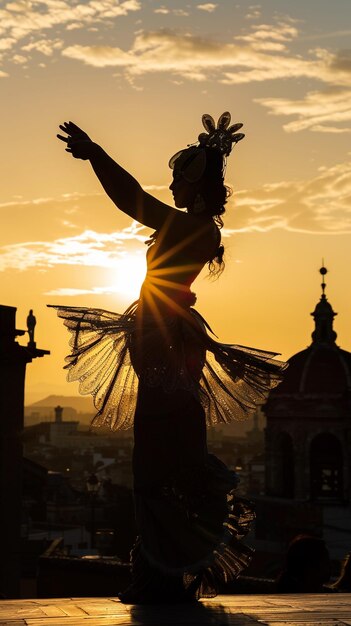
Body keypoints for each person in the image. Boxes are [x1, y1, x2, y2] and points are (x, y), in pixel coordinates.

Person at [51, 112, 286, 603]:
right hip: (160, 333)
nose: (173, 184)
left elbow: (132, 199)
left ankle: (162, 576)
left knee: (158, 457)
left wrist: (96, 154)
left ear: (198, 185)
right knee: (157, 455)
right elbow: (137, 202)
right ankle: (161, 574)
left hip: (166, 338)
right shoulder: (192, 228)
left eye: (180, 178)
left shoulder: (196, 230)